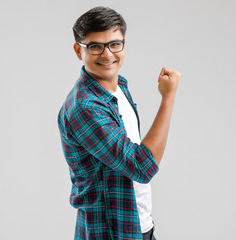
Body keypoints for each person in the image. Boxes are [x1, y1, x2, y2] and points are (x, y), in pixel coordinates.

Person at [57, 6, 181, 240]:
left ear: (124, 44)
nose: (107, 55)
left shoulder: (118, 87)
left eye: (114, 44)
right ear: (78, 50)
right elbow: (142, 167)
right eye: (95, 46)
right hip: (110, 233)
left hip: (137, 225)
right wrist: (168, 97)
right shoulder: (85, 108)